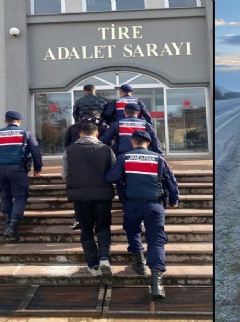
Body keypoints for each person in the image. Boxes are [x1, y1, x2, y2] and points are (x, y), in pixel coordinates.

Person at [106, 130, 180, 299]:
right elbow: (170, 181)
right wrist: (174, 199)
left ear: (133, 142)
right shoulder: (158, 158)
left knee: (132, 231)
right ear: (148, 143)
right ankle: (156, 283)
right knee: (156, 240)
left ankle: (139, 263)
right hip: (155, 205)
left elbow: (111, 177)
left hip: (132, 204)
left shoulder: (124, 158)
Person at [62, 122, 115, 277]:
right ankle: (104, 257)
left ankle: (93, 266)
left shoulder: (69, 151)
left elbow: (65, 174)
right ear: (96, 134)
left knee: (86, 230)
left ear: (80, 134)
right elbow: (113, 171)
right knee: (103, 227)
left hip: (80, 197)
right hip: (103, 196)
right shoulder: (106, 149)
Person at [0, 111, 43, 242]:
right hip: (17, 169)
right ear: (18, 121)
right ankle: (12, 227)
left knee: (5, 195)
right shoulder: (26, 133)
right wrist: (37, 168)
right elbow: (36, 152)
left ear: (5, 121)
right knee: (20, 196)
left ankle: (7, 225)